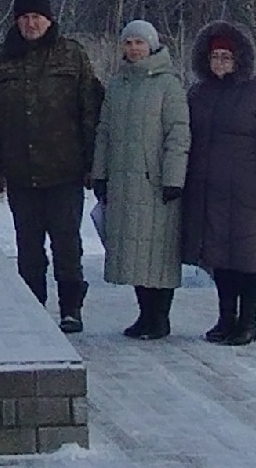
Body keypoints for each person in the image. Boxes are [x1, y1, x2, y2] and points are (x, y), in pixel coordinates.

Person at [0, 0, 103, 333]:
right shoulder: (1, 58)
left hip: (65, 168)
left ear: (49, 20)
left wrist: (92, 163)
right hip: (20, 170)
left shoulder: (72, 54)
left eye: (37, 17)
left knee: (67, 245)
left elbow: (89, 110)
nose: (30, 23)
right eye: (24, 17)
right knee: (28, 247)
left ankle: (71, 308)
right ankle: (32, 307)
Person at [181, 21, 256, 346]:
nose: (220, 63)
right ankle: (225, 318)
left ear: (239, 59)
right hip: (210, 194)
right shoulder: (198, 94)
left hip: (250, 193)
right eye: (215, 56)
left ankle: (249, 322)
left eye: (226, 57)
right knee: (220, 261)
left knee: (249, 260)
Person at [89, 20, 190, 340]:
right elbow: (104, 132)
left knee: (157, 254)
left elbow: (178, 134)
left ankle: (160, 317)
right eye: (129, 43)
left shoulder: (168, 84)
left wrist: (174, 177)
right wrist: (100, 174)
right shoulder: (118, 84)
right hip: (123, 181)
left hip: (156, 184)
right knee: (132, 253)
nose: (134, 48)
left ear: (152, 45)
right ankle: (144, 315)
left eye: (139, 43)